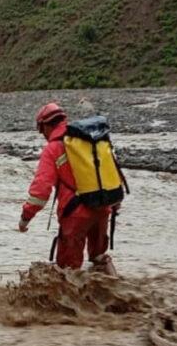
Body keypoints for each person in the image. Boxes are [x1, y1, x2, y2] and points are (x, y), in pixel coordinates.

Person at [17, 103, 117, 275]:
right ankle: (118, 287)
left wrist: (25, 218)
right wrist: (114, 204)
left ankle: (71, 292)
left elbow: (40, 192)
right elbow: (110, 172)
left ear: (45, 125)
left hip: (75, 214)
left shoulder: (53, 148)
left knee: (68, 269)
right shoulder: (90, 139)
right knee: (99, 257)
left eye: (41, 130)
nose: (43, 135)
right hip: (103, 206)